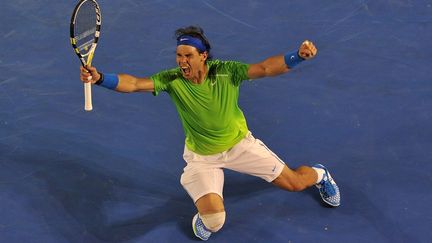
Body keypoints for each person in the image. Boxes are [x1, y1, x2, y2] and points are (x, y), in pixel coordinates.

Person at [80, 26, 340, 241]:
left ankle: (320, 174)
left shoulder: (227, 71)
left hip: (240, 146)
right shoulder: (172, 80)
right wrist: (100, 77)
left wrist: (298, 56)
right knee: (214, 222)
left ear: (203, 56)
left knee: (294, 183)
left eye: (188, 56)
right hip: (202, 156)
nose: (182, 62)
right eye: (179, 56)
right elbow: (135, 84)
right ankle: (206, 213)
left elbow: (265, 68)